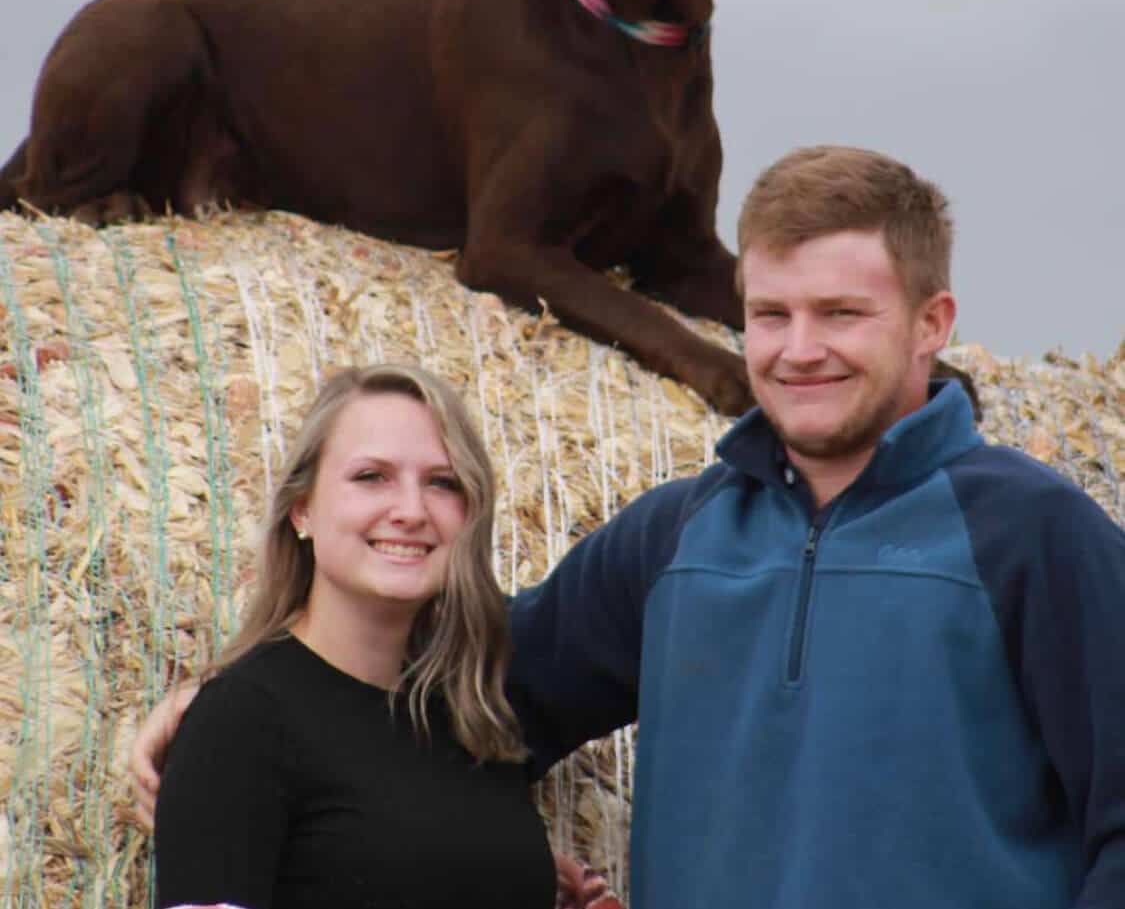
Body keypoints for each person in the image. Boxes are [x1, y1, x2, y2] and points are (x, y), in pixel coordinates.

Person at [135, 147, 1125, 908]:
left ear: (931, 320)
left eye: (841, 313)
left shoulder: (1035, 536)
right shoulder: (672, 537)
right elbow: (454, 691)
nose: (799, 349)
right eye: (770, 313)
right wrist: (223, 709)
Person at [150, 362, 560, 909]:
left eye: (442, 483)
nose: (411, 511)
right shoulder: (241, 722)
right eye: (372, 477)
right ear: (303, 510)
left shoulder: (474, 715)